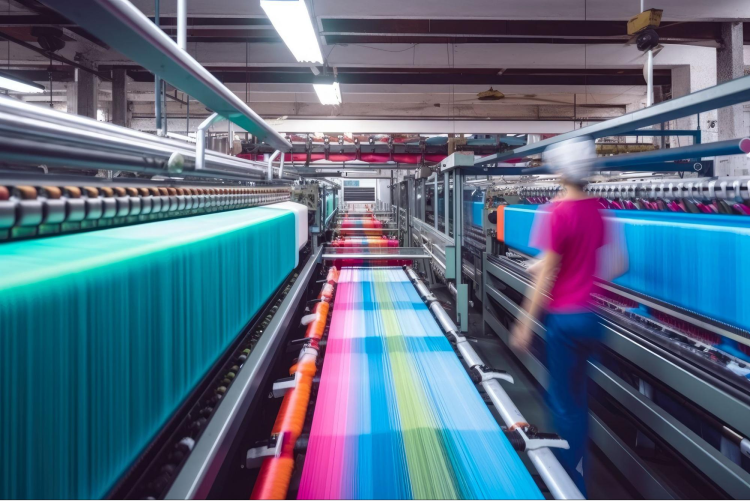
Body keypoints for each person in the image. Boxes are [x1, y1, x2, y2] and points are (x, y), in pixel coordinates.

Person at [510, 136, 627, 497]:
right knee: (579, 401)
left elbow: (547, 274)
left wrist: (525, 323)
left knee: (562, 404)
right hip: (592, 318)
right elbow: (620, 264)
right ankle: (577, 473)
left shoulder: (555, 211)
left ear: (560, 171)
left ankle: (566, 484)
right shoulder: (600, 211)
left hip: (564, 320)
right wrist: (584, 276)